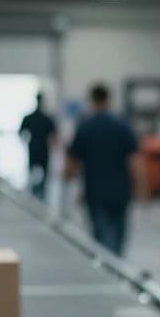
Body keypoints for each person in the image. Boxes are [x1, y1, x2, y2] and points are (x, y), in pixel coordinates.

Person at [66, 83, 139, 256]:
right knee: (118, 236)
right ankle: (118, 267)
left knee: (101, 237)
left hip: (95, 192)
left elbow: (73, 161)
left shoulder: (85, 127)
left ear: (92, 99)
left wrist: (68, 178)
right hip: (121, 191)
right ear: (108, 99)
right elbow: (135, 161)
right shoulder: (122, 126)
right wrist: (140, 188)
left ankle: (108, 270)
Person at [19, 94, 57, 200]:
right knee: (43, 175)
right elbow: (54, 136)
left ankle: (33, 194)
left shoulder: (29, 118)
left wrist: (26, 142)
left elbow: (21, 133)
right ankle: (39, 194)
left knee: (32, 173)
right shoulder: (46, 118)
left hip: (34, 148)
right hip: (43, 149)